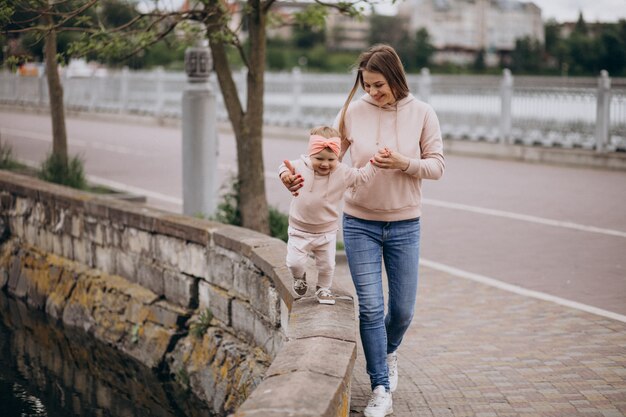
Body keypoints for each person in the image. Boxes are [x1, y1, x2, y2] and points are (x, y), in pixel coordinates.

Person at [282, 44, 445, 417]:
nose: (372, 92)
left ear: (396, 78)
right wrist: (296, 178)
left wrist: (403, 162)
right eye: (366, 85)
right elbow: (323, 158)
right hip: (359, 224)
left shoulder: (422, 113)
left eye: (379, 85)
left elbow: (437, 166)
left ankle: (387, 354)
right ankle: (379, 387)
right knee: (371, 307)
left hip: (405, 224)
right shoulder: (352, 113)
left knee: (401, 311)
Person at [279, 126, 378, 305]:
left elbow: (361, 177)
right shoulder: (301, 165)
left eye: (331, 159)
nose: (325, 164)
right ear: (310, 155)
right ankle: (299, 276)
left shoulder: (342, 172)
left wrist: (375, 163)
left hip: (326, 231)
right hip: (299, 229)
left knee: (327, 265)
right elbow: (283, 166)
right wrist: (285, 174)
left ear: (337, 157)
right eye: (319, 158)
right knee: (294, 262)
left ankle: (323, 288)